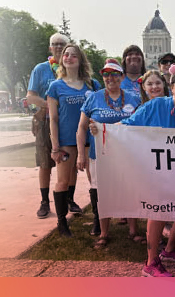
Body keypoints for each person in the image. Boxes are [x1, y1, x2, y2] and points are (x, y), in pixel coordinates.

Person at [89, 67, 175, 277]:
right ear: (172, 87)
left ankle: (169, 250)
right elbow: (126, 126)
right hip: (156, 173)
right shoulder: (155, 106)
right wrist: (103, 130)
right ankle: (151, 263)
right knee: (159, 211)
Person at [77, 59, 142, 248]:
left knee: (129, 190)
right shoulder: (94, 98)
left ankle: (133, 231)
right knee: (101, 193)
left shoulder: (133, 98)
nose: (110, 78)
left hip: (127, 155)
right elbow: (81, 128)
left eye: (114, 74)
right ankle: (104, 233)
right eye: (106, 74)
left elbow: (140, 125)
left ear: (122, 77)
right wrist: (81, 154)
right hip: (100, 155)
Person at [46, 44, 100, 237]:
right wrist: (55, 147)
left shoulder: (92, 85)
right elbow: (52, 118)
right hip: (66, 141)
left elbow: (99, 111)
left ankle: (97, 220)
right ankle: (62, 223)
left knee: (94, 180)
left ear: (80, 60)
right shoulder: (55, 86)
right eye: (66, 55)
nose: (69, 57)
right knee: (63, 181)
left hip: (90, 140)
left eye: (74, 55)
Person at [27, 33, 69, 219]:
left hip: (67, 122)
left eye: (62, 44)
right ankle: (45, 202)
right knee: (45, 162)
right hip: (45, 120)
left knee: (68, 161)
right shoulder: (41, 69)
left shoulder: (71, 68)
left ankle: (69, 199)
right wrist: (51, 106)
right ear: (50, 48)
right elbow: (31, 96)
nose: (58, 47)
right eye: (55, 44)